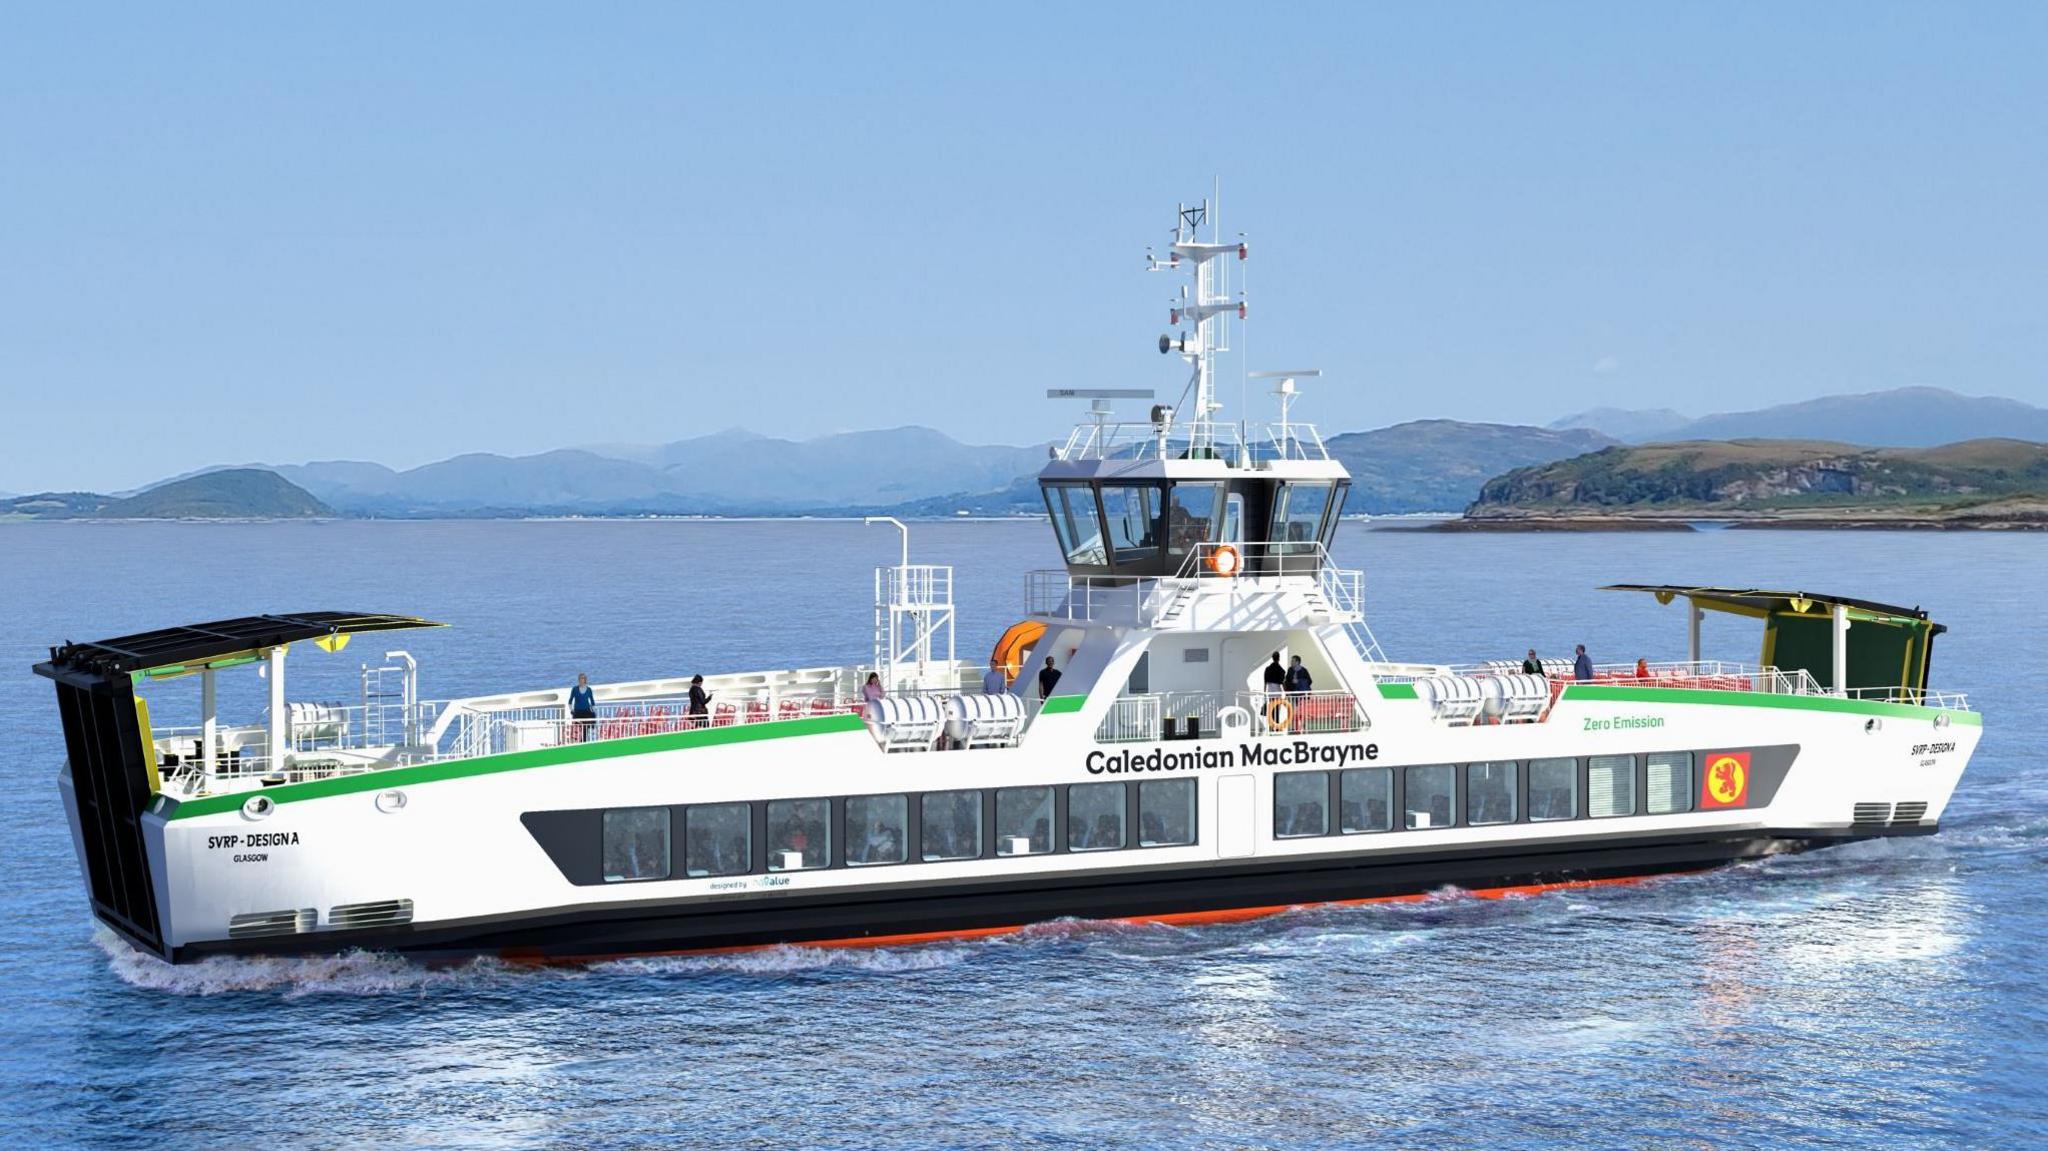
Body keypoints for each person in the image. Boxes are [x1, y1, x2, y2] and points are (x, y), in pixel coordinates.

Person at [1284, 655, 1313, 732]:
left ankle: (1302, 726)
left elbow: (1309, 681)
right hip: (1293, 695)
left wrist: (1299, 681)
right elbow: (1287, 681)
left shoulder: (1304, 670)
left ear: (1297, 662)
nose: (1291, 662)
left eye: (1293, 661)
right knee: (1293, 711)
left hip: (1302, 695)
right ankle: (1294, 727)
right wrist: (1291, 684)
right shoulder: (1290, 670)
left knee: (1302, 711)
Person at [567, 672, 596, 742]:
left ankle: (584, 741)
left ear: (585, 680)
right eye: (580, 679)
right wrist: (571, 710)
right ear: (578, 680)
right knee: (578, 727)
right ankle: (577, 740)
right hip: (578, 711)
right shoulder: (575, 689)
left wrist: (593, 710)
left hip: (586, 711)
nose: (582, 680)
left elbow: (592, 701)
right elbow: (570, 701)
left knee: (586, 727)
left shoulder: (589, 689)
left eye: (583, 679)